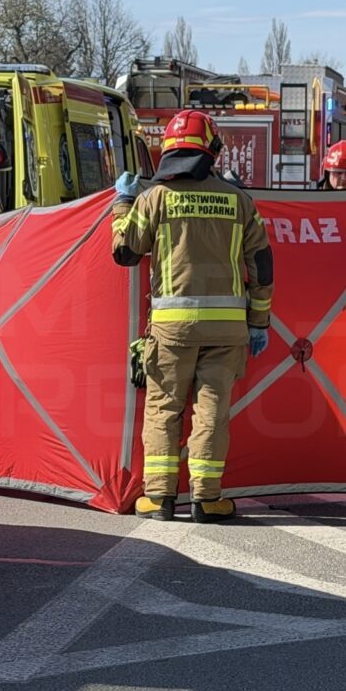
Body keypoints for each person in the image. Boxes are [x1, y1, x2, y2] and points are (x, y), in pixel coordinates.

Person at [111, 109, 274, 523]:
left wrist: (122, 205)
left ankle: (159, 499)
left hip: (172, 329)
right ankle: (207, 499)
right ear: (213, 153)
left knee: (164, 410)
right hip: (227, 330)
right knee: (212, 412)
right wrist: (259, 321)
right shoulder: (239, 201)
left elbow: (124, 253)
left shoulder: (156, 198)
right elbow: (262, 265)